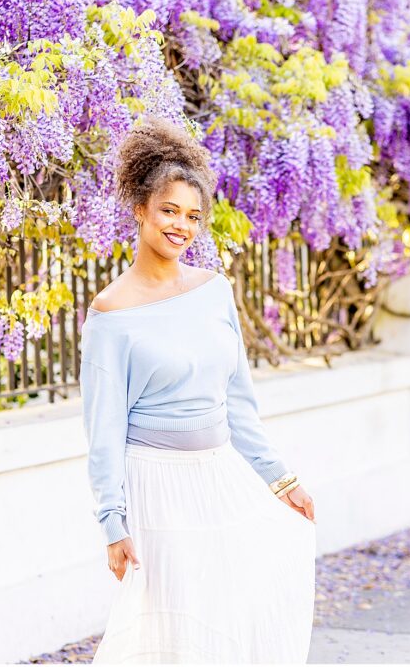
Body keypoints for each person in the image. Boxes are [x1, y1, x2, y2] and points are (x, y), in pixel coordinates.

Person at [80, 116, 317, 663]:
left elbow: (238, 400)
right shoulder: (110, 314)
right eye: (169, 211)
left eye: (193, 216)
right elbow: (103, 429)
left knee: (231, 610)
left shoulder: (215, 291)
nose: (181, 226)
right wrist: (112, 524)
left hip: (219, 473)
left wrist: (279, 480)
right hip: (155, 483)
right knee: (171, 628)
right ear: (140, 208)